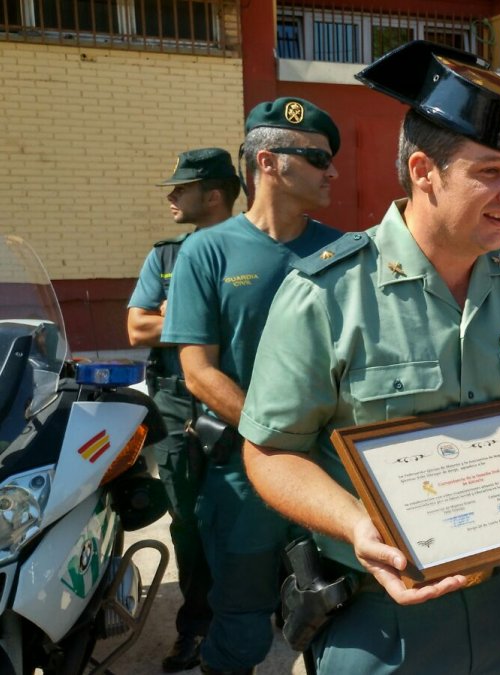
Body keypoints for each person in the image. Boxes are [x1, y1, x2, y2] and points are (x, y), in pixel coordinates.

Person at [238, 41, 500, 674]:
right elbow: (270, 449)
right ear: (423, 172)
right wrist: (354, 525)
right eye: (489, 172)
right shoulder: (326, 293)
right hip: (383, 613)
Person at [161, 98, 343, 675]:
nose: (331, 171)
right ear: (269, 161)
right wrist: (280, 435)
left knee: (335, 610)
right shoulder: (206, 251)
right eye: (316, 158)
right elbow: (198, 371)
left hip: (330, 470)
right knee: (240, 621)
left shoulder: (345, 250)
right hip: (245, 472)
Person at [127, 147, 239, 672]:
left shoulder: (252, 252)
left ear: (213, 195)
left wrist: (175, 316)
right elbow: (135, 328)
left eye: (181, 188)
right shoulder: (166, 256)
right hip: (175, 405)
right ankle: (196, 626)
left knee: (253, 515)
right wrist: (191, 315)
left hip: (238, 399)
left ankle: (261, 610)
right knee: (188, 520)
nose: (171, 196)